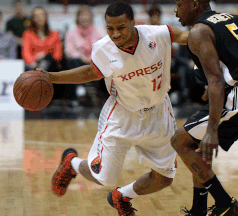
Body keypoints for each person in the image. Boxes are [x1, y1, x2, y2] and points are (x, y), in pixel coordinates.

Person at [44, 2, 189, 216]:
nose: (115, 33)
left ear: (133, 22)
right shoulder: (103, 48)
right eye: (110, 28)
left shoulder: (157, 34)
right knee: (103, 178)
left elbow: (189, 38)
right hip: (123, 114)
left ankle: (121, 196)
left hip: (159, 112)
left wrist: (220, 33)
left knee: (165, 178)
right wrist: (51, 78)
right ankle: (71, 163)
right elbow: (88, 73)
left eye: (121, 27)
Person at [171, 0, 238, 216]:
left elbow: (216, 81)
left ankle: (226, 204)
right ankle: (198, 210)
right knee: (196, 146)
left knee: (180, 141)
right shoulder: (228, 18)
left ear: (195, 4)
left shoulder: (199, 32)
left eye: (180, 5)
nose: (175, 10)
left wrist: (211, 130)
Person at [64, 5, 106, 105]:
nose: (84, 18)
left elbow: (105, 48)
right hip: (79, 62)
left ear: (91, 17)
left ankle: (101, 94)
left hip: (96, 61)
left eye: (87, 15)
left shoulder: (100, 31)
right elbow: (68, 51)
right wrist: (81, 57)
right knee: (73, 62)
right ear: (77, 18)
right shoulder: (71, 33)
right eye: (82, 15)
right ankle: (80, 90)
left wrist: (92, 58)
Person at [22, 6, 62, 72]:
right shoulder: (27, 34)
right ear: (33, 18)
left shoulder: (55, 34)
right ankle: (40, 72)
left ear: (46, 17)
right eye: (36, 16)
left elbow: (58, 55)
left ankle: (40, 72)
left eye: (42, 15)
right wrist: (33, 61)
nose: (39, 18)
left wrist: (45, 54)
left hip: (51, 65)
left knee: (48, 57)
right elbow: (26, 53)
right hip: (34, 64)